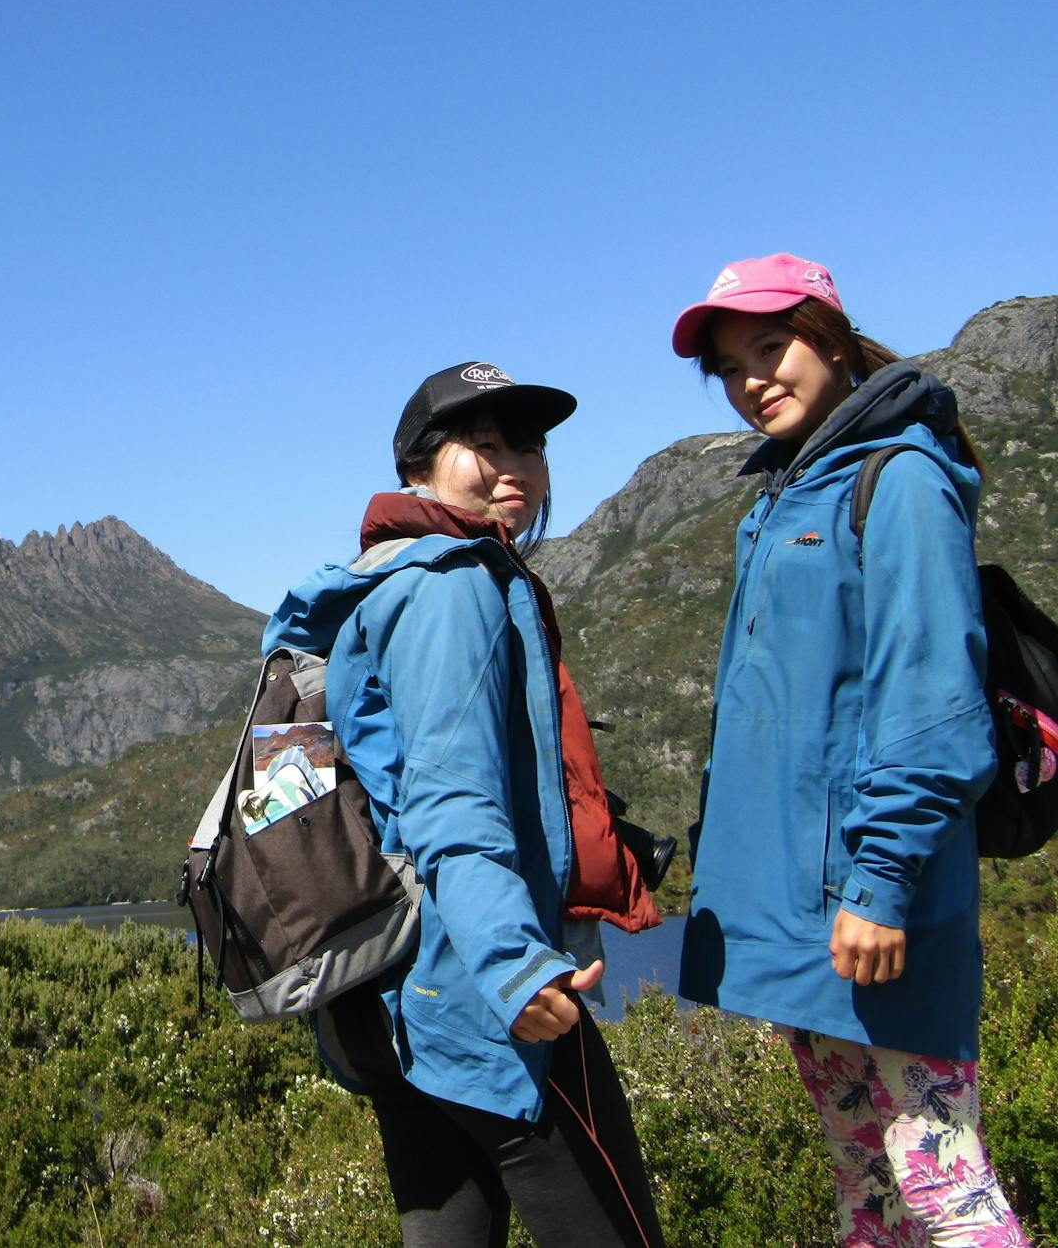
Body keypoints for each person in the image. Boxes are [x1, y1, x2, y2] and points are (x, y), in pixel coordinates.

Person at [670, 253, 1029, 1246]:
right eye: (732, 366)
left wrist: (879, 884)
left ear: (827, 335)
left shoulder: (900, 475)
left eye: (770, 347)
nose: (753, 379)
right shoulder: (788, 492)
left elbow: (932, 702)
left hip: (878, 907)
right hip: (799, 916)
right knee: (864, 1182)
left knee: (945, 1182)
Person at [264, 362, 665, 1247]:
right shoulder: (453, 585)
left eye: (529, 444)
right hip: (484, 996)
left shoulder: (381, 580)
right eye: (483, 445)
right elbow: (451, 807)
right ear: (419, 467)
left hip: (396, 1000)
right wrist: (517, 967)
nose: (514, 464)